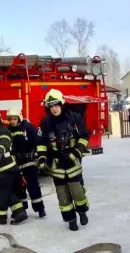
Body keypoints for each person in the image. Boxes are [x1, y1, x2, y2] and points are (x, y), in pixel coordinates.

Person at [36, 89, 89, 231]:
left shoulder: (74, 118)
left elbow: (84, 137)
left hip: (72, 161)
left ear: (62, 104)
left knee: (78, 191)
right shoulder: (45, 123)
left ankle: (82, 212)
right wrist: (42, 159)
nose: (54, 108)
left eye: (56, 105)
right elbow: (40, 142)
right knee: (63, 196)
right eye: (51, 106)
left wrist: (75, 154)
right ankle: (71, 220)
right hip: (56, 163)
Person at [7, 107, 46, 218]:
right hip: (16, 163)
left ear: (19, 118)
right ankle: (21, 210)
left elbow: (38, 141)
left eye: (14, 119)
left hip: (29, 162)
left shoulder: (28, 127)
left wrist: (39, 157)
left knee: (33, 186)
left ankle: (40, 209)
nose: (12, 121)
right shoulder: (8, 131)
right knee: (19, 188)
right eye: (11, 119)